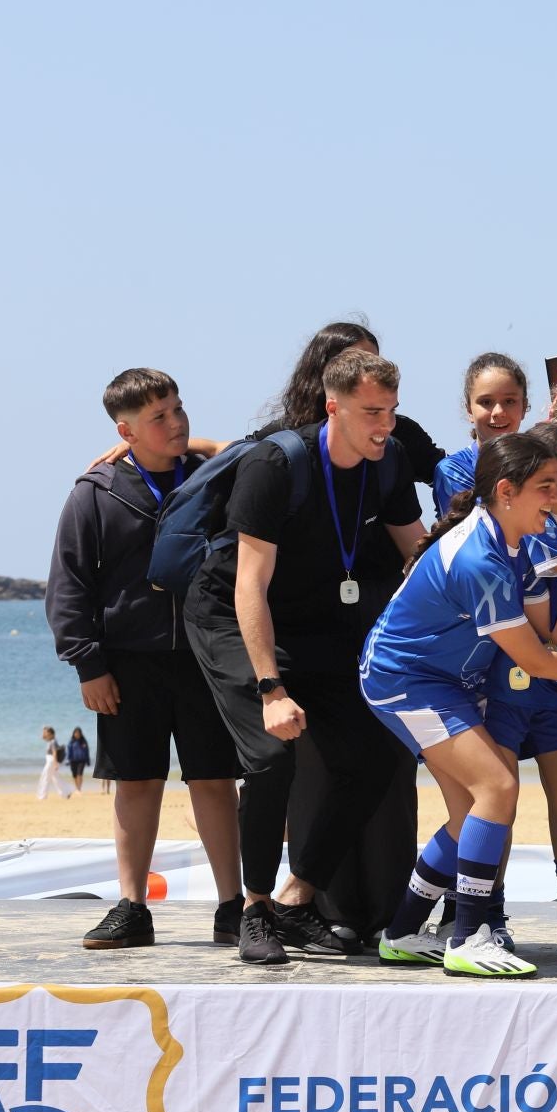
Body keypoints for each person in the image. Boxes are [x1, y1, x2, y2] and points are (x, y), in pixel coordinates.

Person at [364, 433, 557, 977]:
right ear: (507, 491)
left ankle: (402, 932)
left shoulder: (520, 539)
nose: (556, 497)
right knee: (498, 787)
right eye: (545, 486)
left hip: (447, 680)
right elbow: (539, 660)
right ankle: (469, 937)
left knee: (469, 811)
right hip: (405, 680)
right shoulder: (480, 559)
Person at [186, 346, 426, 965]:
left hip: (312, 621)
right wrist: (271, 690)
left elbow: (417, 554)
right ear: (333, 406)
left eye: (392, 411)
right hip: (232, 617)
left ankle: (295, 900)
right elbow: (249, 586)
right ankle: (254, 909)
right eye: (372, 412)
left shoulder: (389, 459)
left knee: (380, 752)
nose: (385, 425)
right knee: (271, 757)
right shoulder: (275, 464)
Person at [47, 366, 246, 950]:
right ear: (125, 431)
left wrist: (197, 445)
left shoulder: (212, 476)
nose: (176, 422)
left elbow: (256, 451)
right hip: (128, 663)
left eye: (178, 409)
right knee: (135, 783)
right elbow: (69, 583)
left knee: (215, 781)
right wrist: (88, 665)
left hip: (205, 657)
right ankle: (132, 907)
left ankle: (232, 906)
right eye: (159, 417)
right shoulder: (95, 493)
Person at [432, 354, 531, 509]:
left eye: (509, 401)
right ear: (469, 410)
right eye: (486, 402)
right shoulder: (454, 470)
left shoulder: (542, 463)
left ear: (524, 407)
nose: (499, 412)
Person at [37, 726, 69, 800]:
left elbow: (54, 753)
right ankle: (66, 792)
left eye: (47, 733)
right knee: (55, 778)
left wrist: (55, 763)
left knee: (45, 777)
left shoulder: (53, 741)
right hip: (50, 761)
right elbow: (43, 738)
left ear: (51, 734)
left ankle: (42, 796)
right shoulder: (51, 741)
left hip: (51, 761)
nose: (46, 735)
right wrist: (44, 731)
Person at [65, 727, 91, 794]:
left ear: (81, 734)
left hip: (82, 760)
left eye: (78, 733)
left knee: (79, 774)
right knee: (74, 775)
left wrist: (88, 761)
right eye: (76, 733)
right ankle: (76, 788)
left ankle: (79, 789)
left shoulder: (84, 742)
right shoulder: (71, 742)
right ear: (73, 734)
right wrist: (67, 760)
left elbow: (87, 751)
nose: (77, 734)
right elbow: (68, 751)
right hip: (73, 760)